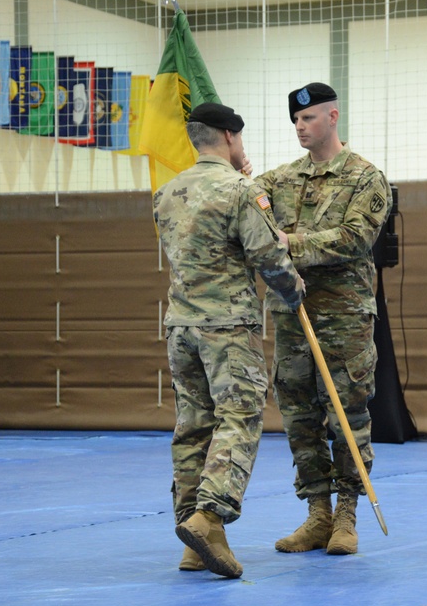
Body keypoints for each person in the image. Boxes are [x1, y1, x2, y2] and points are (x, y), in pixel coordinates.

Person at [153, 102, 304, 579]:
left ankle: (193, 542)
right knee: (239, 417)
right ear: (230, 137)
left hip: (180, 326)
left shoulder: (166, 192)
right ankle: (210, 516)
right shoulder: (242, 190)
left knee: (194, 425)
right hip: (228, 328)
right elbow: (269, 257)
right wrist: (294, 288)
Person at [255, 82, 391, 556]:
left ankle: (347, 516)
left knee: (347, 416)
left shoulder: (365, 178)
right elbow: (252, 214)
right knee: (299, 416)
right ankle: (317, 513)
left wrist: (290, 243)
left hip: (343, 319)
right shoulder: (277, 180)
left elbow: (354, 238)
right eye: (295, 120)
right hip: (292, 317)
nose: (300, 126)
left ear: (333, 117)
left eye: (308, 118)